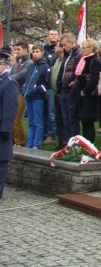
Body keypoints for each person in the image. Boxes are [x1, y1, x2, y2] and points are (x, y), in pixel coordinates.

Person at [21, 44, 50, 150]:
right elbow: (28, 80)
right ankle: (29, 143)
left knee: (38, 121)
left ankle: (36, 144)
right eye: (33, 52)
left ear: (42, 52)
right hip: (29, 96)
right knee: (31, 121)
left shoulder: (45, 66)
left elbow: (46, 83)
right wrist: (26, 89)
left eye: (37, 52)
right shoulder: (32, 66)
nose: (35, 54)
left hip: (38, 97)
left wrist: (37, 89)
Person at [74, 39, 101, 143]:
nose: (82, 50)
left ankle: (90, 143)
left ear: (91, 49)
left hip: (90, 95)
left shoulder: (94, 61)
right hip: (82, 94)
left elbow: (94, 79)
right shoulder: (83, 60)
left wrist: (85, 91)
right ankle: (85, 143)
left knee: (88, 121)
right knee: (84, 121)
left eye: (84, 48)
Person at [0, 45, 19, 199]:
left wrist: (6, 128)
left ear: (4, 64)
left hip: (1, 127)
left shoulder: (9, 83)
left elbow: (10, 108)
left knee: (1, 160)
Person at [59, 33, 82, 144]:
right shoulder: (68, 55)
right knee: (65, 118)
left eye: (64, 45)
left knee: (72, 117)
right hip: (64, 89)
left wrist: (75, 82)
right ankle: (67, 141)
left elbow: (79, 72)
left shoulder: (78, 54)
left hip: (71, 89)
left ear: (72, 43)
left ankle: (74, 142)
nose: (63, 47)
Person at [9, 41, 32, 146]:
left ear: (25, 50)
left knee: (17, 119)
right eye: (15, 49)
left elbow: (21, 75)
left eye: (18, 49)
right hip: (13, 92)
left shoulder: (28, 63)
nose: (16, 52)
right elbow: (12, 74)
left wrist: (8, 78)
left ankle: (20, 142)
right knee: (11, 118)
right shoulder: (17, 62)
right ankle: (14, 140)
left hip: (21, 93)